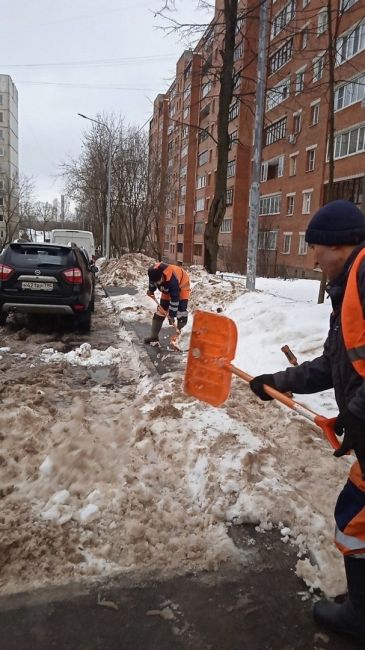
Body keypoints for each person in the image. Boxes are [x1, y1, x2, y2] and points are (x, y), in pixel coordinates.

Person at [249, 199, 365, 644]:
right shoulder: (349, 287)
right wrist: (279, 380)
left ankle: (361, 616)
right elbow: (336, 363)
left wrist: (357, 417)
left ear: (341, 244)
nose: (313, 258)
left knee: (355, 521)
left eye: (316, 247)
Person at [144, 261, 190, 344]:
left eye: (159, 281)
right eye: (156, 282)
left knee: (181, 311)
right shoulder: (153, 274)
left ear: (162, 275)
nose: (157, 283)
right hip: (167, 286)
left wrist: (172, 315)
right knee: (161, 309)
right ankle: (154, 337)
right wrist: (151, 290)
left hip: (182, 284)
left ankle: (181, 339)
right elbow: (152, 283)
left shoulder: (172, 280)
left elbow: (175, 298)